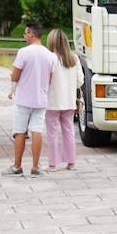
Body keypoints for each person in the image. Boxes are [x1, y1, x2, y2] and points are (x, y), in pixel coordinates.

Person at [6, 22, 58, 177]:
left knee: (20, 132)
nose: (24, 36)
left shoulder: (23, 52)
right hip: (41, 99)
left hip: (23, 99)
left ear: (31, 34)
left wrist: (12, 87)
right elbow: (50, 79)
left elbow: (15, 75)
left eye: (25, 33)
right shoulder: (51, 55)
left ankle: (17, 166)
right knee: (37, 131)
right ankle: (35, 167)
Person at [44, 28, 81, 171]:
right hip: (69, 101)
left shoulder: (49, 58)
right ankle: (72, 162)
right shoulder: (74, 58)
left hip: (52, 101)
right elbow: (80, 81)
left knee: (52, 133)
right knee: (69, 131)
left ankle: (52, 164)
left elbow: (44, 80)